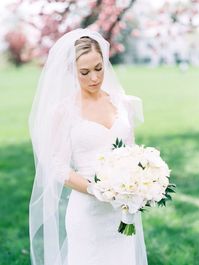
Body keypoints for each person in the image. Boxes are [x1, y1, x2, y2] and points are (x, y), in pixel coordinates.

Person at [28, 28, 148, 265]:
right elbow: (58, 167)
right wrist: (97, 190)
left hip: (122, 209)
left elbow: (132, 151)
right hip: (87, 213)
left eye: (98, 68)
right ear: (72, 71)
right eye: (84, 72)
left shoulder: (122, 103)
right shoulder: (63, 112)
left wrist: (142, 179)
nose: (94, 78)